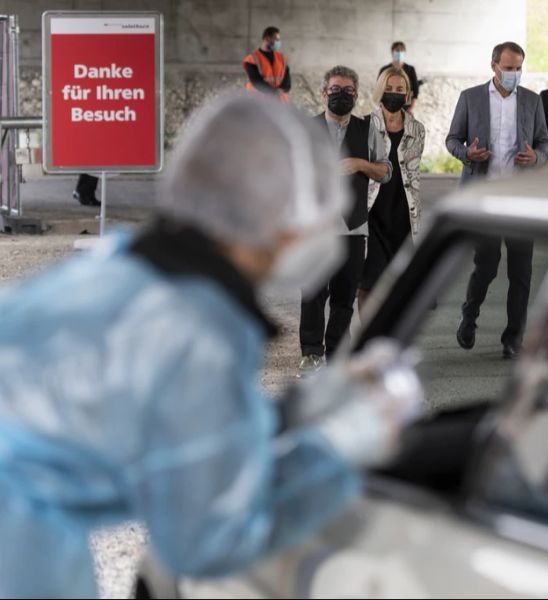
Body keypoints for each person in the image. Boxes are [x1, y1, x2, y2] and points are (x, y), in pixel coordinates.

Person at [0, 94, 422, 598]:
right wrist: (338, 446)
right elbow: (208, 543)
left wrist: (289, 414)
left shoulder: (114, 267)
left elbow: (167, 420)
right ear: (276, 219)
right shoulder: (201, 330)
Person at [446, 41, 548, 359]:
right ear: (494, 66)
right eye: (508, 68)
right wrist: (467, 153)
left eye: (518, 68)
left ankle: (512, 339)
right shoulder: (471, 98)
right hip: (484, 198)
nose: (514, 74)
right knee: (487, 266)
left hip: (520, 200)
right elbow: (452, 139)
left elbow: (544, 142)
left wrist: (536, 157)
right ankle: (469, 316)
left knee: (521, 273)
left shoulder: (532, 101)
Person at [299, 66, 392, 375]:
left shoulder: (368, 130)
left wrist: (360, 164)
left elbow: (385, 170)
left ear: (356, 95)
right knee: (312, 293)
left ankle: (337, 355)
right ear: (324, 92)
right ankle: (311, 352)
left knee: (345, 295)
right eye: (335, 89)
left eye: (348, 91)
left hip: (353, 227)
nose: (341, 95)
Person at [358, 67, 426, 312]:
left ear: (408, 93)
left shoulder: (417, 129)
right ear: (380, 90)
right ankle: (367, 341)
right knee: (368, 284)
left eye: (400, 89)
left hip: (403, 214)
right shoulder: (364, 126)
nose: (394, 93)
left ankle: (388, 337)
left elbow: (412, 172)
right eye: (389, 89)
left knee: (399, 284)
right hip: (372, 214)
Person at [244, 26, 291, 103]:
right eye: (276, 39)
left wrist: (280, 91)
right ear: (267, 38)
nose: (278, 42)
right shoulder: (252, 59)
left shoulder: (281, 58)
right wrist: (275, 92)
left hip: (279, 105)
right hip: (259, 105)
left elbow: (287, 84)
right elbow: (256, 81)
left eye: (279, 40)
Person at [379, 41, 420, 112]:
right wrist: (382, 107)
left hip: (406, 107)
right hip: (388, 107)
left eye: (401, 51)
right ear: (392, 52)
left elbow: (416, 90)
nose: (399, 53)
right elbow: (379, 89)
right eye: (397, 51)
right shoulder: (384, 69)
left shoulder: (410, 69)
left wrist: (411, 108)